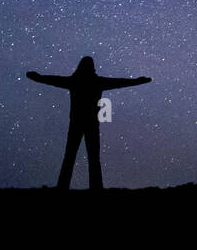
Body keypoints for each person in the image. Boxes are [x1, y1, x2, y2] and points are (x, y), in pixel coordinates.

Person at [25, 56, 151, 190]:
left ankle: (63, 186)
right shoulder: (95, 82)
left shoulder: (74, 81)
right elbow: (119, 82)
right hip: (90, 124)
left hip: (77, 123)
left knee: (71, 156)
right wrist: (138, 81)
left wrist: (38, 77)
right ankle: (95, 187)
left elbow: (53, 80)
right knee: (91, 157)